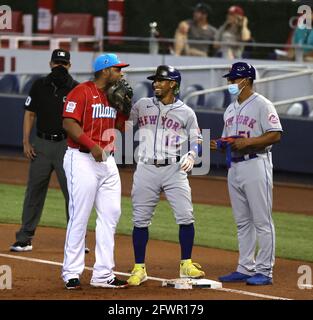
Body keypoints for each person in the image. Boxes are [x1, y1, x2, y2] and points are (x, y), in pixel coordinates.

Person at [127, 65, 205, 286]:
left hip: (174, 169)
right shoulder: (142, 105)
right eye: (155, 80)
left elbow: (197, 140)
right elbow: (123, 124)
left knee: (186, 216)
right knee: (140, 220)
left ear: (173, 84)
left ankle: (186, 263)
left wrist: (192, 154)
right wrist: (120, 104)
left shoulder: (186, 112)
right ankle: (139, 267)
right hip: (145, 168)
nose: (155, 84)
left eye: (161, 80)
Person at [61, 53, 130, 290]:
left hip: (107, 162)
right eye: (118, 69)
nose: (121, 73)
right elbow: (68, 123)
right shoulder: (81, 92)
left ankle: (103, 274)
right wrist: (92, 146)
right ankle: (71, 272)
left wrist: (125, 110)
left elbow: (123, 128)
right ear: (105, 70)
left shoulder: (114, 96)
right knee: (79, 215)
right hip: (80, 159)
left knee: (111, 215)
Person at [210, 62, 282, 285]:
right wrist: (220, 144)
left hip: (256, 164)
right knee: (242, 222)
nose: (230, 83)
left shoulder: (262, 104)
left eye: (233, 79)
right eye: (230, 79)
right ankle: (245, 267)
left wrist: (248, 141)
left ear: (247, 80)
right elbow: (231, 139)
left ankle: (265, 271)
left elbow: (275, 134)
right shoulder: (230, 108)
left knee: (262, 221)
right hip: (236, 167)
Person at [10, 49, 80, 252]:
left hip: (66, 146)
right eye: (57, 62)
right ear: (50, 64)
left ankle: (76, 240)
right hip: (41, 144)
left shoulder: (76, 88)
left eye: (63, 63)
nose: (59, 66)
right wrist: (26, 142)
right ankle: (24, 238)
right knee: (34, 192)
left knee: (73, 195)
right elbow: (30, 114)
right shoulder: (39, 85)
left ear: (69, 66)